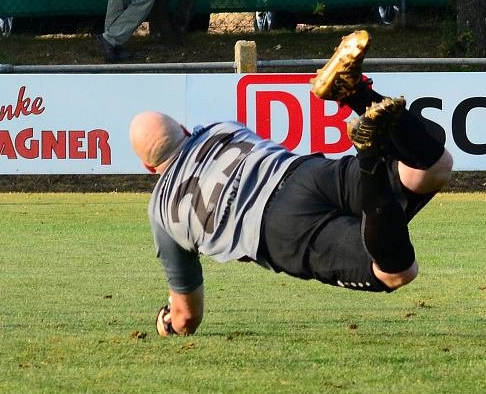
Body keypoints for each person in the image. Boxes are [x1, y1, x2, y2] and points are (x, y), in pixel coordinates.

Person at [129, 30, 454, 337]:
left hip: (277, 228)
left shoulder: (162, 210)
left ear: (148, 166)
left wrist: (168, 320)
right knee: (432, 168)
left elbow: (188, 316)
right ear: (185, 130)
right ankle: (358, 94)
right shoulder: (219, 129)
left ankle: (368, 152)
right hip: (302, 173)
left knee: (395, 271)